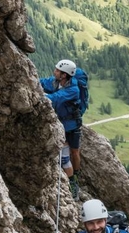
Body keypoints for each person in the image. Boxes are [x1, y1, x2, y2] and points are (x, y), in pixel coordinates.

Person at [40, 59, 82, 200]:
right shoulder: (55, 82)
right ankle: (71, 180)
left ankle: (75, 178)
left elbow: (55, 98)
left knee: (75, 152)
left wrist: (42, 95)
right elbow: (42, 82)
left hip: (72, 126)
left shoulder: (73, 90)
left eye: (57, 70)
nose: (55, 72)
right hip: (62, 125)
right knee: (64, 158)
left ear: (64, 75)